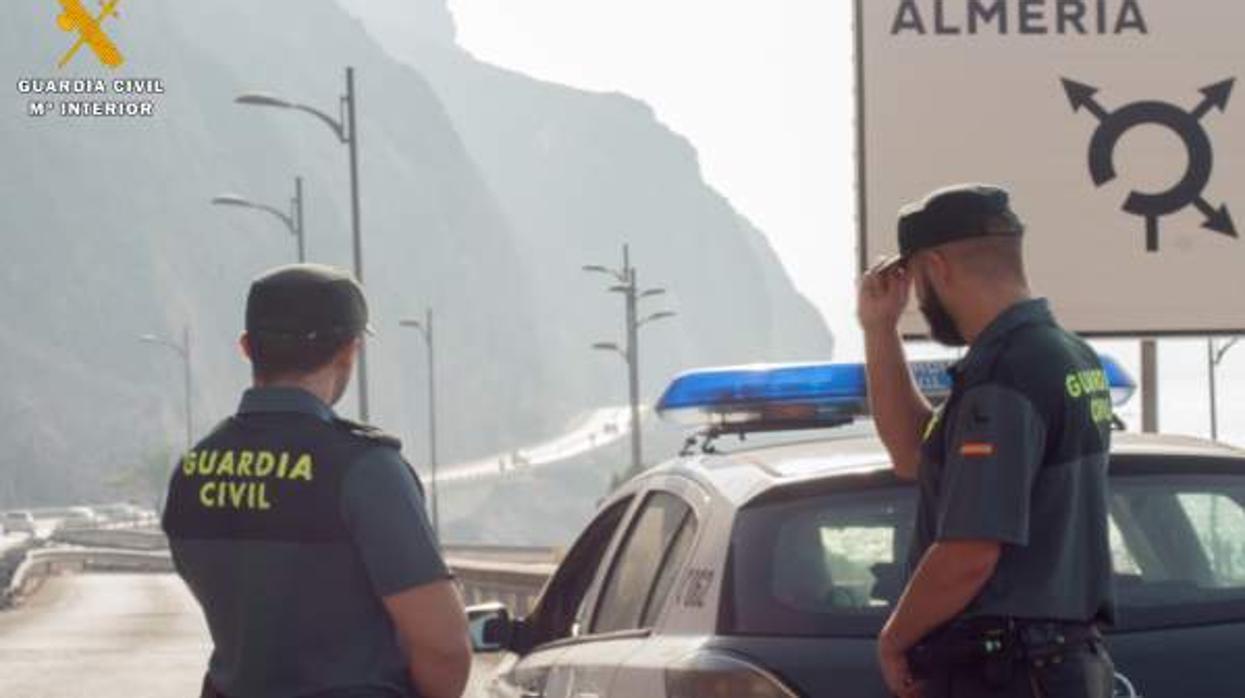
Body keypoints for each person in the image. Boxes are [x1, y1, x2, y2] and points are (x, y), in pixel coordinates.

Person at [162, 264, 472, 698]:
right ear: (348, 352)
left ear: (247, 348)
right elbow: (443, 646)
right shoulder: (365, 471)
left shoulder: (194, 470)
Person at [857, 185, 1116, 698]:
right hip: (1057, 662)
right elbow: (913, 456)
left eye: (918, 281)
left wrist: (894, 639)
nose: (920, 301)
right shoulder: (1067, 354)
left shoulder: (1004, 372)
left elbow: (970, 552)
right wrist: (879, 329)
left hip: (1008, 672)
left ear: (936, 267)